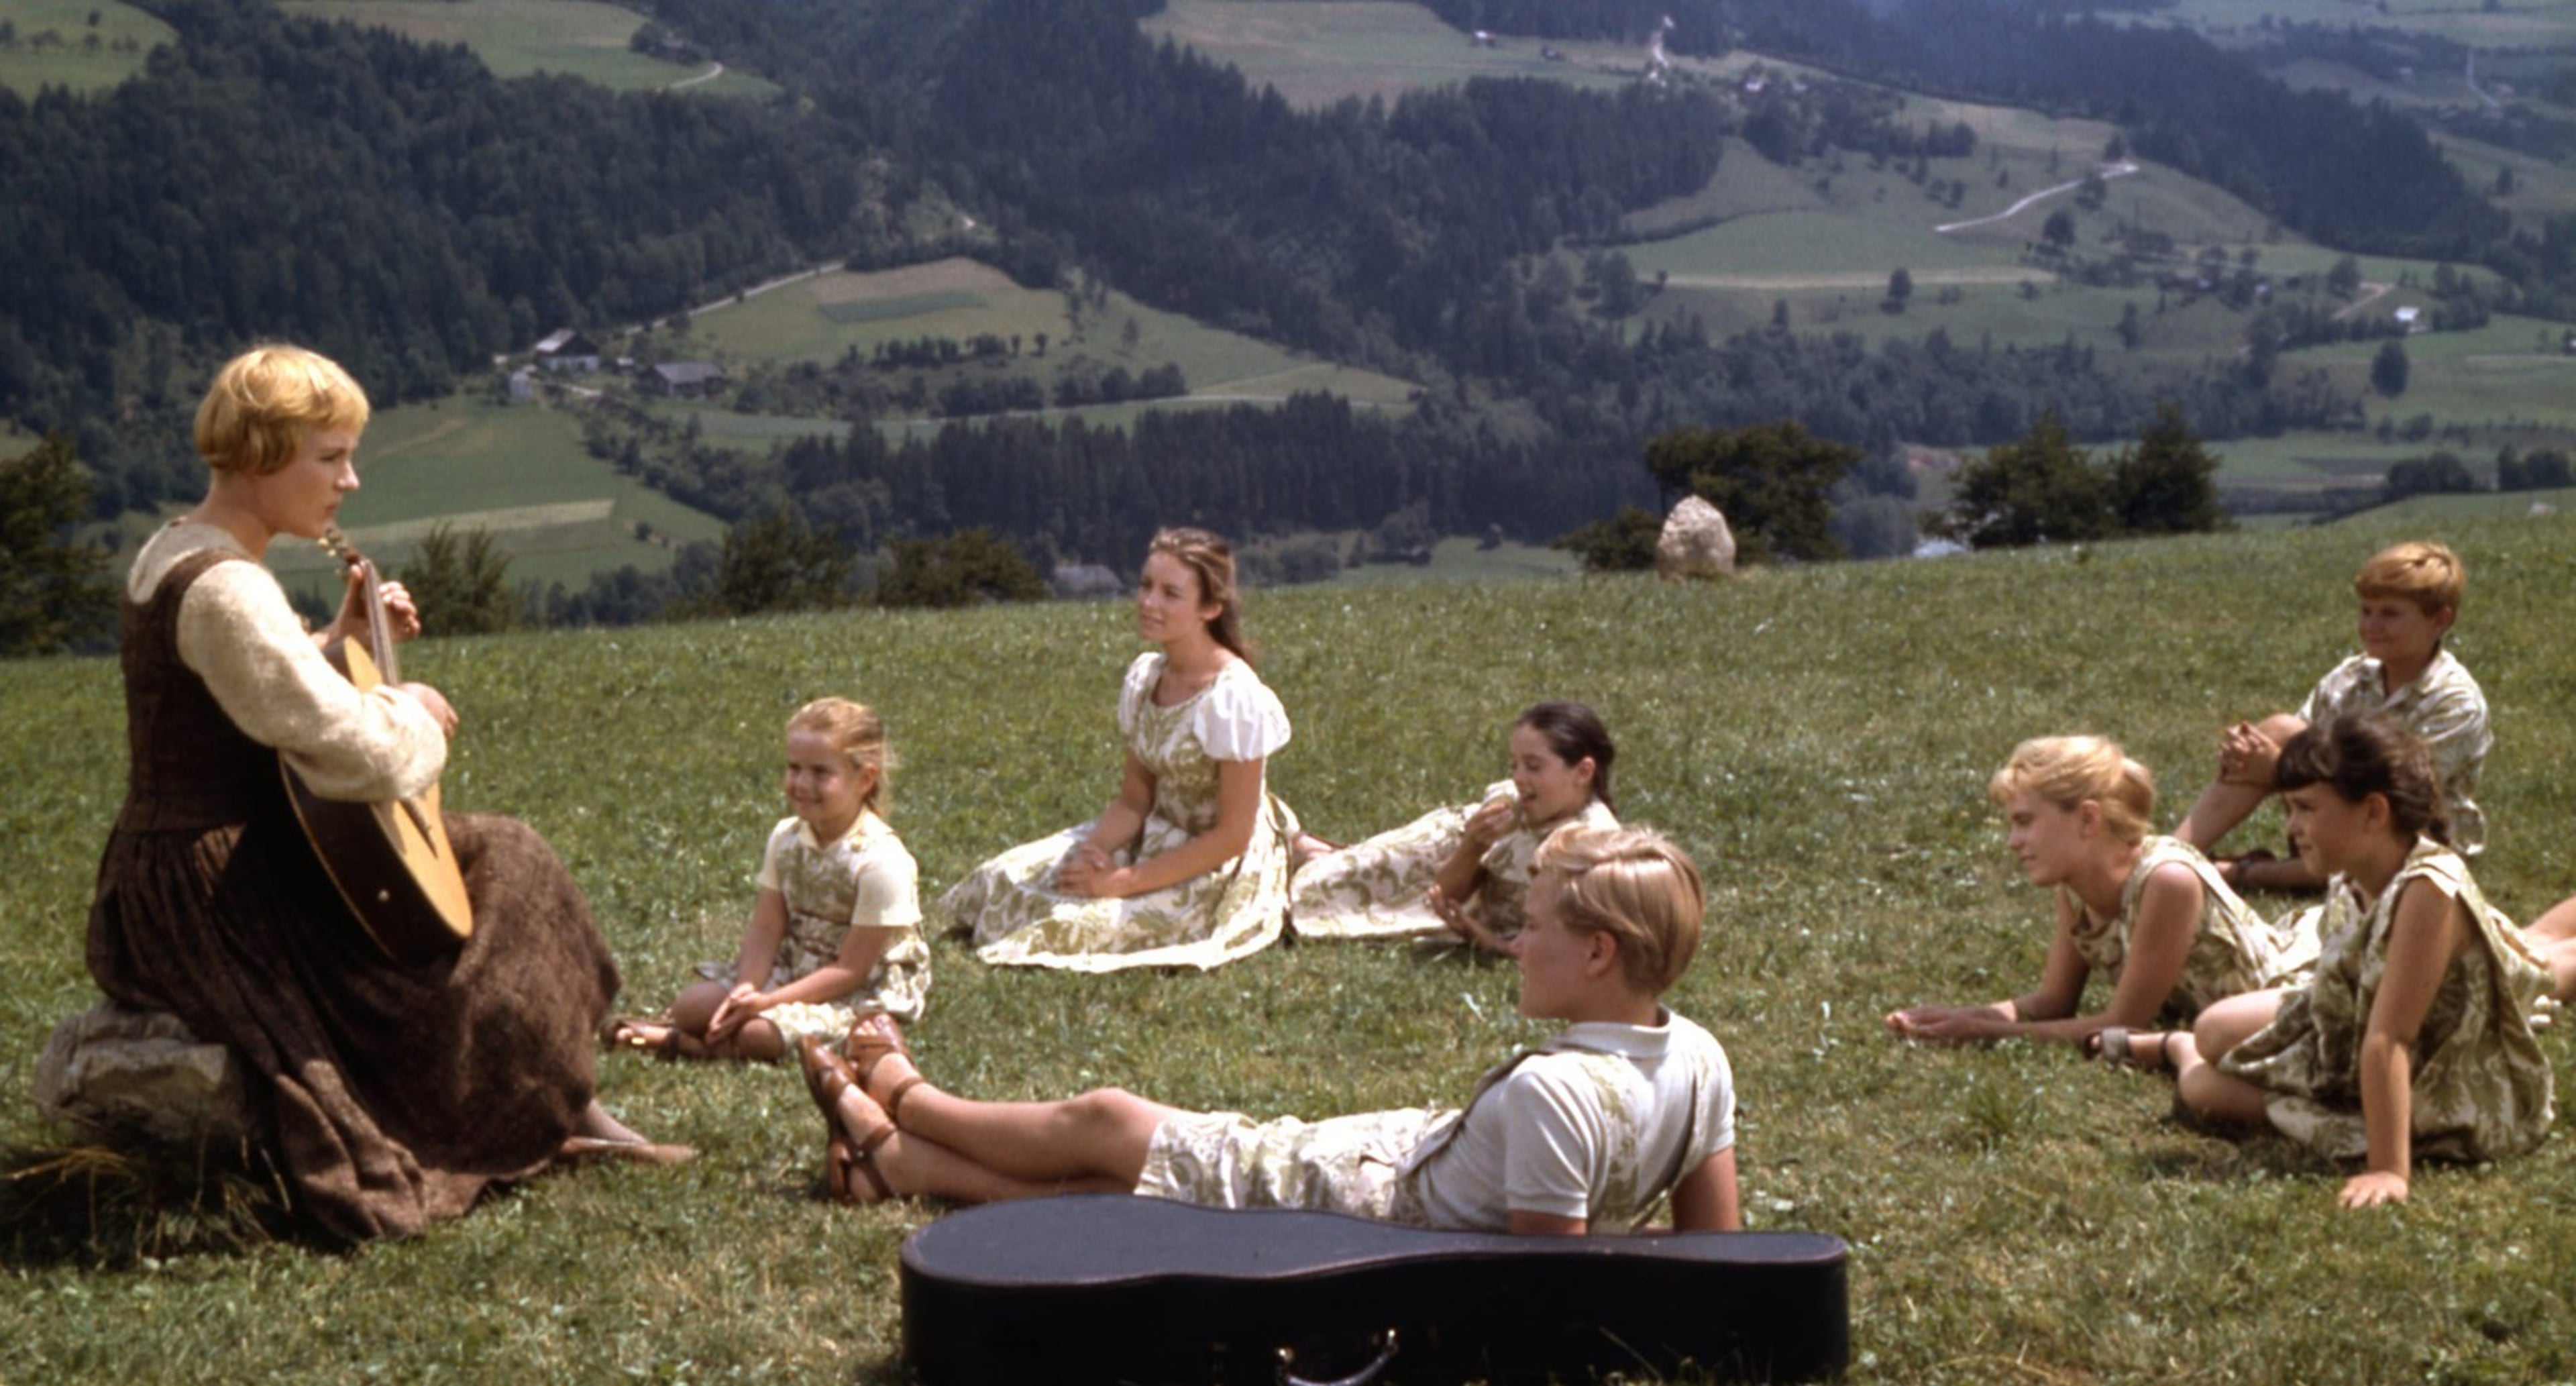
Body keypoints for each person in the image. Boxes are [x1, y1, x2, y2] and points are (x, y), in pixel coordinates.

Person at [85, 345, 684, 1243]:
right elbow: (348, 749)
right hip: (215, 890)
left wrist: (341, 639)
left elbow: (262, 696)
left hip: (210, 857)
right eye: (330, 457)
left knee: (502, 854)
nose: (351, 480)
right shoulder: (227, 590)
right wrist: (410, 712)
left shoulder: (186, 546)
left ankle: (568, 1104)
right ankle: (535, 1115)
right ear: (259, 453)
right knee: (451, 939)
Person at [809, 826, 1739, 1235]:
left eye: (1536, 926)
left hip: (1360, 1207)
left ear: (1598, 954)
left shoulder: (1555, 1091)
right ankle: (906, 1165)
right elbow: (1719, 1255)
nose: (1516, 941)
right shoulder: (1698, 1054)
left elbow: (1539, 1290)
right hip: (1406, 1161)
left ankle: (908, 1098)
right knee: (1120, 1184)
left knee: (1107, 1121)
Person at [2124, 716, 2552, 1210]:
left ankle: (2174, 1050)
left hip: (2436, 1084)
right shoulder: (2354, 874)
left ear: (2373, 812)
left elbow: (2391, 1037)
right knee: (2214, 1028)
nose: (2292, 828)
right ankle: (2178, 1044)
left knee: (2202, 1087)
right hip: (2351, 1046)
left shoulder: (2428, 889)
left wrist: (2388, 1169)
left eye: (2306, 809)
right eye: (2289, 809)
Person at [940, 527, 1304, 972]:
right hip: (1151, 831)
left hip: (1213, 862)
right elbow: (1135, 799)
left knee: (1074, 924)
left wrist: (1121, 883)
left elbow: (1232, 836)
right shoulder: (1148, 676)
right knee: (1005, 877)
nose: (1149, 603)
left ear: (1210, 608)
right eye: (1146, 586)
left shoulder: (1235, 698)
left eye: (1171, 594)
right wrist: (1091, 854)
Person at [1884, 735, 2310, 1049]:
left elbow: (2126, 1023)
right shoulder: (2074, 886)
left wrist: (1982, 1033)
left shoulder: (2167, 881)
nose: (2013, 841)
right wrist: (1956, 1017)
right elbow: (2054, 1001)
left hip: (2290, 998)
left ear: (2088, 820)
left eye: (2025, 822)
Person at [604, 698, 929, 1061]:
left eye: (821, 773)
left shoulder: (881, 862)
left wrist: (768, 1003)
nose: (803, 783)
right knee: (691, 1007)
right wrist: (745, 990)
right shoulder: (786, 838)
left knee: (760, 1034)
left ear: (865, 779)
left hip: (856, 986)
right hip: (797, 961)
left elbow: (851, 970)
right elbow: (767, 925)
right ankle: (696, 1029)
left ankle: (674, 1043)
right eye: (794, 768)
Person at [2177, 541, 2489, 894]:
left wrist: (2279, 770)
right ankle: (2174, 853)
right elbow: (2301, 751)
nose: (2372, 625)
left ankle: (2241, 873)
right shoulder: (2353, 677)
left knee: (2361, 813)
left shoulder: (2455, 702)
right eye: (2366, 611)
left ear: (2440, 620)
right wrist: (2253, 752)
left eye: (2390, 614)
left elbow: (2401, 800)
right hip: (2334, 822)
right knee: (2279, 729)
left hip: (2412, 846)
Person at [1290, 702, 1621, 953]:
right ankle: (1314, 851)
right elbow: (1445, 892)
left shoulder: (1587, 846)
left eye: (1533, 766)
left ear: (1583, 772)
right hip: (1444, 849)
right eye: (1515, 764)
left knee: (1318, 902)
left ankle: (1316, 852)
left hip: (1468, 909)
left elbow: (1567, 949)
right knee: (1322, 880)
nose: (1519, 778)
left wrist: (1483, 939)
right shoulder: (1512, 805)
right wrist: (1474, 845)